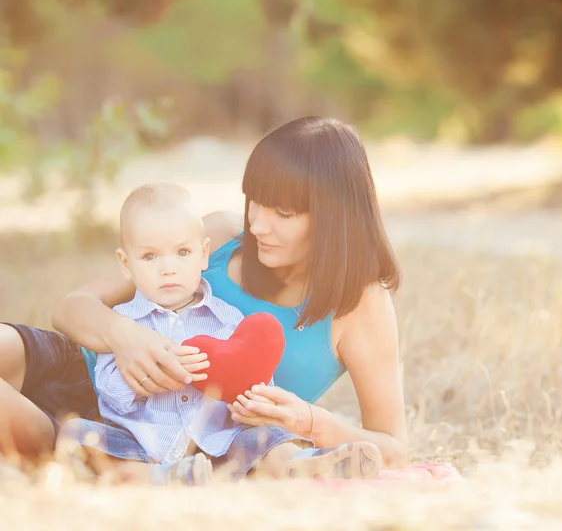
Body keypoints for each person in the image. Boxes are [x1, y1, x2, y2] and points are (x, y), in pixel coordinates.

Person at [0, 116, 407, 472]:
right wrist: (124, 336)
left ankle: (38, 440)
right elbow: (71, 308)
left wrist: (309, 422)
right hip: (85, 367)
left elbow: (393, 447)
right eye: (256, 203)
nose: (259, 225)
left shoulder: (361, 305)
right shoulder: (222, 234)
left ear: (335, 219)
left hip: (155, 438)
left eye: (283, 214)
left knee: (43, 434)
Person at [59, 182, 383, 483]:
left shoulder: (226, 318)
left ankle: (304, 464)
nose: (168, 268)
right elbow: (109, 393)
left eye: (182, 253)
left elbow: (253, 372)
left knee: (266, 440)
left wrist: (251, 402)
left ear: (203, 254)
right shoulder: (126, 322)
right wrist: (143, 381)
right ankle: (165, 478)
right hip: (144, 441)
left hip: (220, 441)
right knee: (77, 435)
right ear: (126, 264)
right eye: (150, 257)